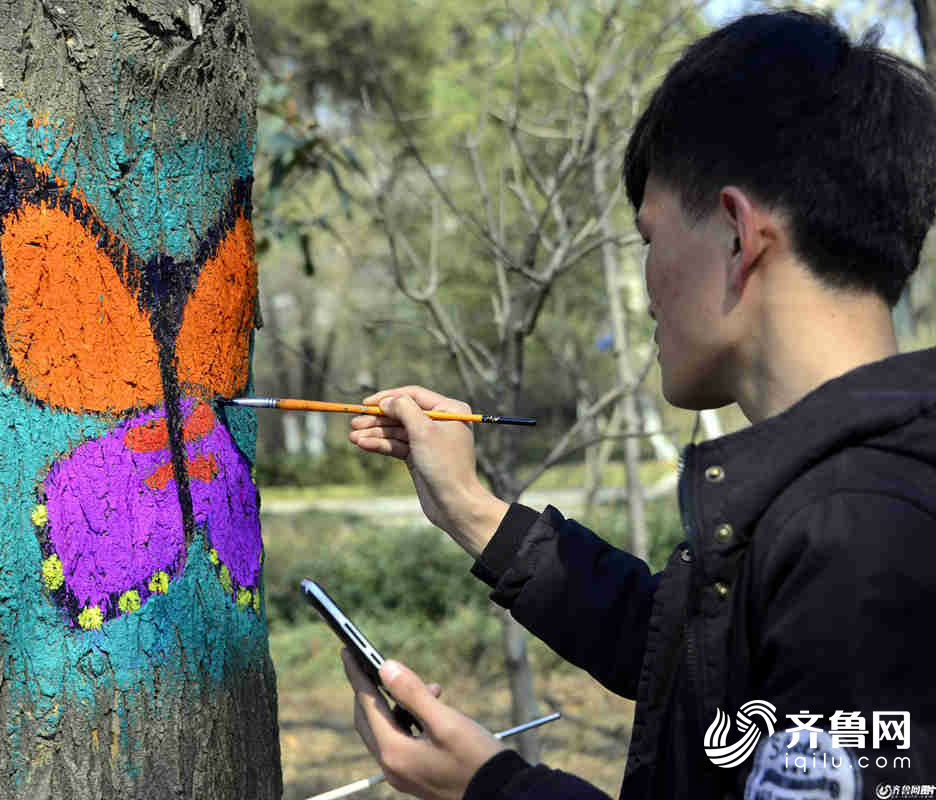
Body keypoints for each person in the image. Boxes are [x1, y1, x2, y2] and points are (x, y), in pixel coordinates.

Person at [341, 10, 936, 799]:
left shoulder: (859, 538)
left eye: (650, 239)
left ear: (736, 234)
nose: (651, 288)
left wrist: (489, 787)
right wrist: (470, 508)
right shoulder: (841, 498)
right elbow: (688, 655)